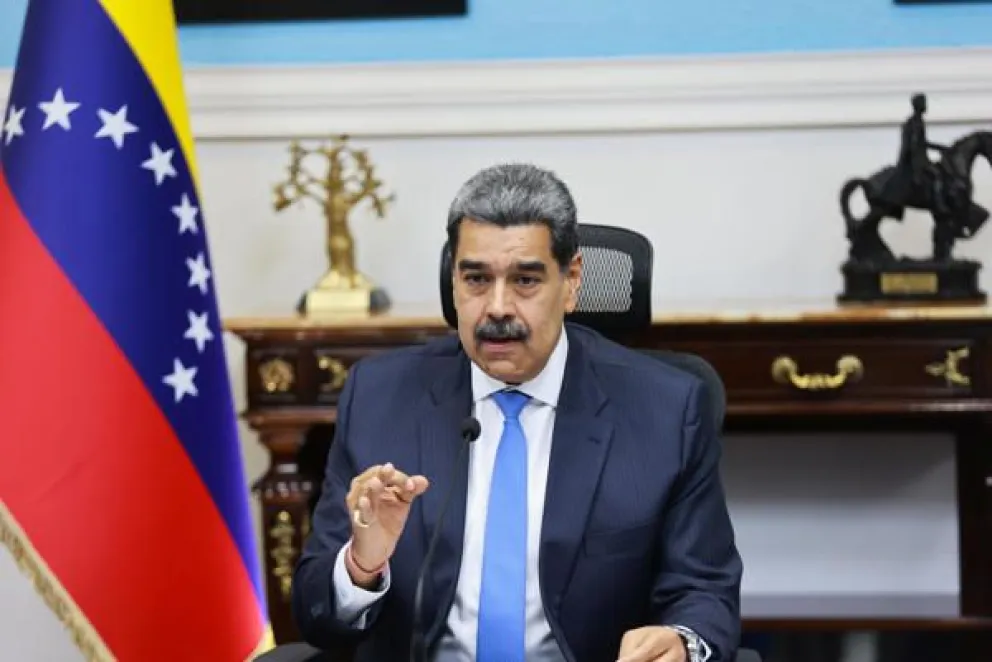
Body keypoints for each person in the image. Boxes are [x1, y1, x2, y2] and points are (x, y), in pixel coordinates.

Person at [291, 163, 743, 662]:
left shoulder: (665, 409)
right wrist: (361, 565)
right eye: (476, 280)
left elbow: (705, 592)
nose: (498, 307)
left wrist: (682, 643)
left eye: (525, 280)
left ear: (571, 281)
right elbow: (316, 615)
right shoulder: (381, 397)